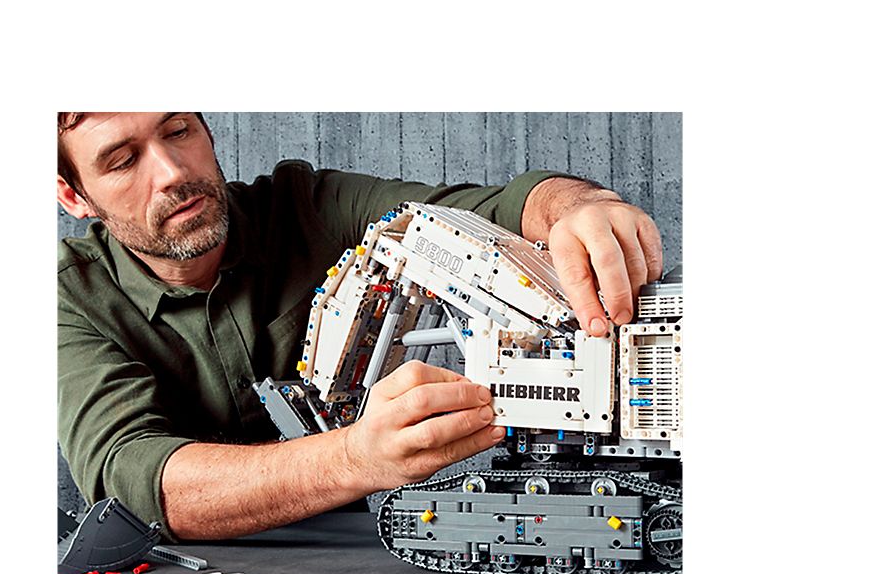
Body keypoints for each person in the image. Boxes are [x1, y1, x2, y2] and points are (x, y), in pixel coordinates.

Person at [58, 112, 664, 541]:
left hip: (372, 560)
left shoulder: (308, 205)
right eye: (123, 161)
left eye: (178, 131)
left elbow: (485, 211)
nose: (170, 172)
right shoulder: (68, 297)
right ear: (74, 195)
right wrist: (356, 458)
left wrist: (579, 207)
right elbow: (134, 479)